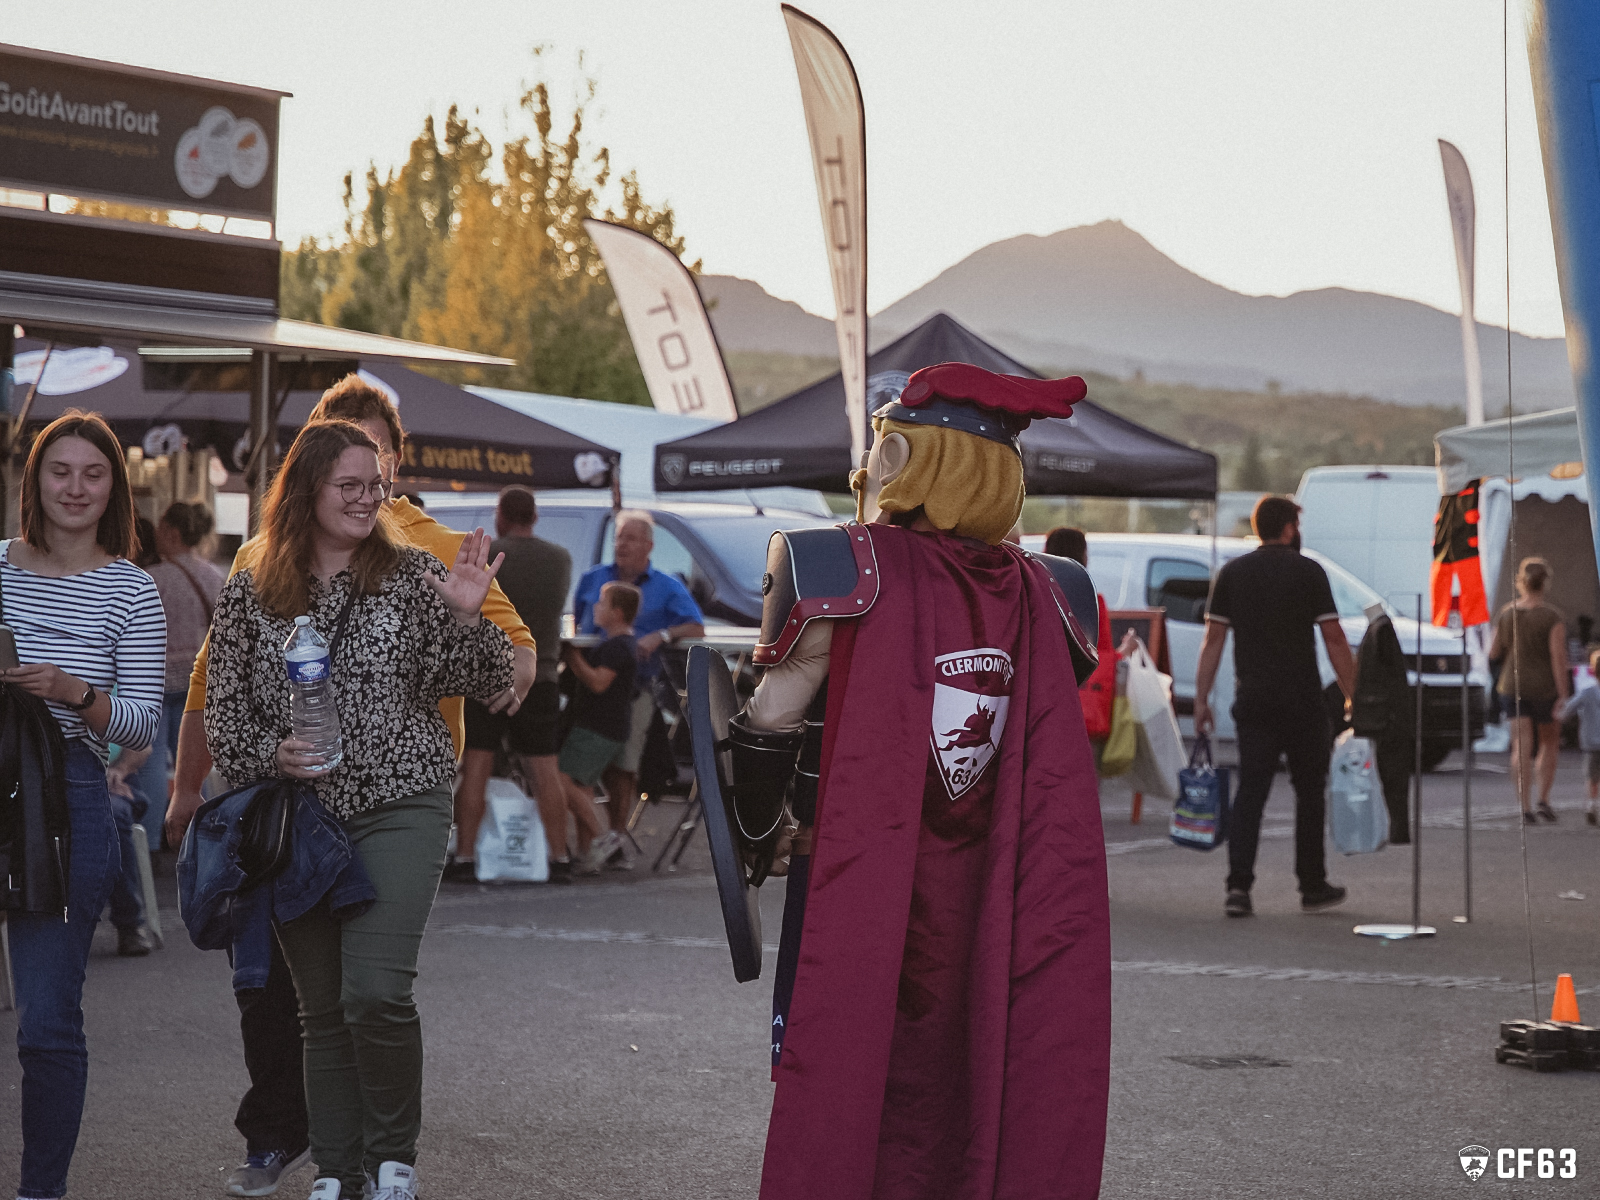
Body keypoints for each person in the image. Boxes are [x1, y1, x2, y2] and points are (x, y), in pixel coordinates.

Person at [728, 363, 1110, 1197]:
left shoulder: (841, 567)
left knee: (842, 1062)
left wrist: (762, 835)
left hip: (858, 871)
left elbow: (770, 721)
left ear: (902, 458)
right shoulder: (1058, 592)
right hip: (997, 889)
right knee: (986, 1066)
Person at [163, 375, 536, 1199]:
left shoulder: (408, 575)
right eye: (352, 487)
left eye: (379, 486)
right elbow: (226, 715)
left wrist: (470, 617)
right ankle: (338, 1169)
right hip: (303, 818)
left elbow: (478, 680)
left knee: (375, 992)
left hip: (404, 801)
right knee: (321, 1009)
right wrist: (275, 754)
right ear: (306, 490)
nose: (371, 500)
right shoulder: (254, 587)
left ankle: (392, 1158)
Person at [4, 411, 166, 1200]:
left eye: (92, 473)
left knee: (45, 1021)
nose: (74, 487)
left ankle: (41, 1193)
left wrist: (76, 692)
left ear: (113, 489)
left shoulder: (131, 587)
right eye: (59, 470)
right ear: (34, 478)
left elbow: (143, 719)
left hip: (66, 793)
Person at [1194, 495, 1356, 917]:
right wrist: (1354, 692)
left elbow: (1212, 642)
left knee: (1251, 793)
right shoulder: (1309, 572)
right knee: (1309, 794)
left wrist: (1201, 700)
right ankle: (1312, 883)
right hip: (1303, 701)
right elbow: (1335, 639)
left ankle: (1239, 888)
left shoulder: (1232, 573)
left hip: (1255, 701)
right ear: (1288, 528)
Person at [448, 485, 573, 882]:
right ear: (535, 516)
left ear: (500, 515)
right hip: (543, 672)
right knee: (545, 770)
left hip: (486, 673)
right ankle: (560, 857)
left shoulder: (487, 555)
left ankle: (466, 857)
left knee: (477, 766)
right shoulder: (560, 559)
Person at [572, 512, 704, 866]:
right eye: (618, 537)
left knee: (624, 766)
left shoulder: (666, 586)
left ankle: (613, 842)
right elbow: (577, 623)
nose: (622, 544)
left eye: (631, 538)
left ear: (649, 545)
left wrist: (661, 635)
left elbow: (695, 626)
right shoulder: (592, 580)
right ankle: (588, 846)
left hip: (634, 690)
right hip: (589, 689)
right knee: (579, 768)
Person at [132, 501, 224, 847]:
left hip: (157, 680)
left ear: (170, 532)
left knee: (151, 759)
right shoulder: (213, 576)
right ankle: (195, 838)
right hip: (198, 682)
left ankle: (152, 843)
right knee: (193, 765)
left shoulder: (152, 578)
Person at [558, 581, 640, 873]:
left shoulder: (618, 647)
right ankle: (586, 855)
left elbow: (598, 682)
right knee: (583, 785)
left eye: (602, 603)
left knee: (562, 778)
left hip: (598, 728)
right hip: (608, 727)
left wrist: (572, 657)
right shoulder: (618, 643)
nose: (595, 607)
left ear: (617, 613)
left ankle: (601, 840)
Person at [1489, 557, 1570, 823]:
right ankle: (1543, 799)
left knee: (1520, 746)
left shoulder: (1506, 613)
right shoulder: (1552, 617)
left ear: (1520, 582)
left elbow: (1494, 652)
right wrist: (1563, 693)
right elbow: (1558, 657)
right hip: (1545, 688)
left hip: (1512, 687)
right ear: (1545, 583)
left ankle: (1523, 807)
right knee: (1549, 743)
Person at [1350, 608, 1415, 845]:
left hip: (1384, 713)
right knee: (1392, 772)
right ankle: (1397, 827)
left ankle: (1392, 827)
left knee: (1388, 771)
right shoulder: (1382, 628)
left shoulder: (1380, 630)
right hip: (1388, 712)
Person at [1567, 648, 1600, 826]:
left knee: (1591, 777)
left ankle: (1591, 805)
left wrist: (1560, 713)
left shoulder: (1587, 692)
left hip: (1591, 741)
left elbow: (1569, 708)